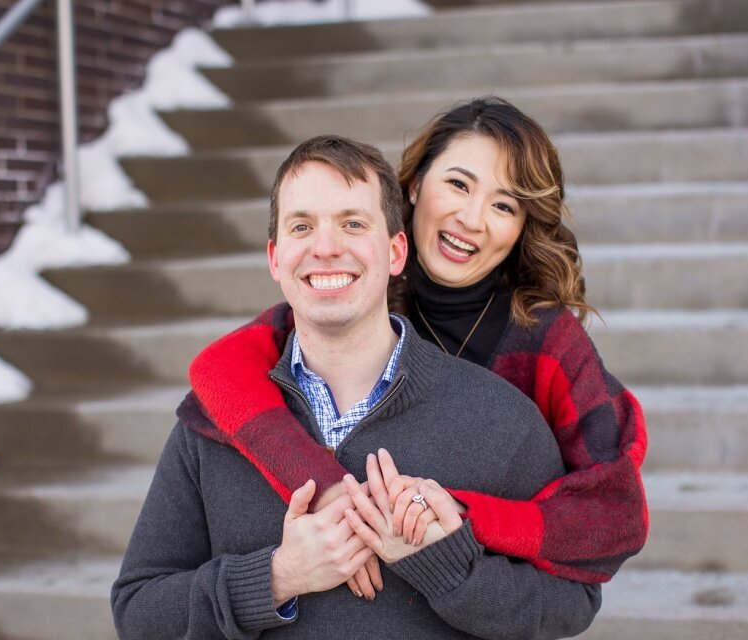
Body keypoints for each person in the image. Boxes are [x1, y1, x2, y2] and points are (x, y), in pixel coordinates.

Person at [112, 135, 600, 638]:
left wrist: (449, 567)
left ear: (395, 251)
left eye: (352, 223)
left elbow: (572, 603)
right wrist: (277, 577)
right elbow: (137, 612)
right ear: (276, 258)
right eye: (302, 226)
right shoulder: (215, 420)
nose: (325, 247)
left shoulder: (501, 420)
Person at [186, 97, 648, 588]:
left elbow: (615, 515)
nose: (471, 218)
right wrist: (325, 489)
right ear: (414, 186)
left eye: (504, 205)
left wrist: (465, 518)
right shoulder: (360, 288)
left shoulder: (545, 339)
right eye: (457, 184)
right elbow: (219, 370)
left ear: (520, 228)